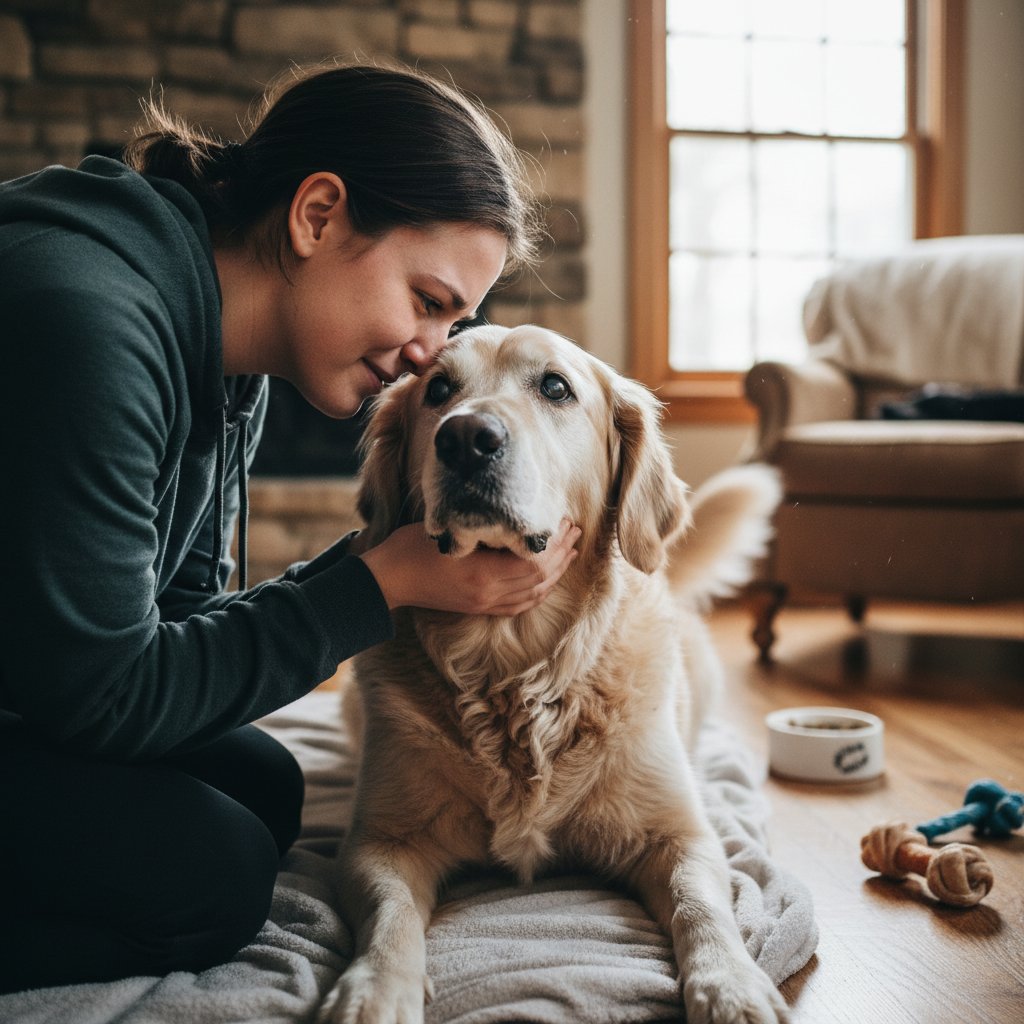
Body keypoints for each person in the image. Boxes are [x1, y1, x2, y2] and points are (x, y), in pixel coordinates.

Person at [0, 61, 580, 993]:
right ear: (317, 214)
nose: (433, 352)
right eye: (429, 301)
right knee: (216, 879)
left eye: (458, 317)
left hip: (32, 680)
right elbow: (109, 695)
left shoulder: (233, 361)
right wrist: (379, 586)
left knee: (265, 786)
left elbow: (179, 610)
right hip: (49, 690)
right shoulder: (88, 323)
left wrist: (372, 568)